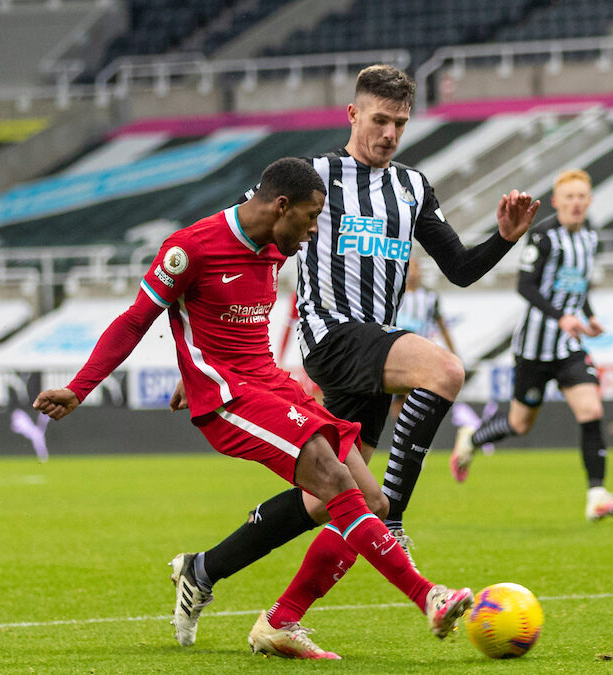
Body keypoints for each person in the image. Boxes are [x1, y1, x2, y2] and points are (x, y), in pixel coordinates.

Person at [32, 158, 473, 659]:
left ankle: (273, 616)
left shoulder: (273, 246)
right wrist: (81, 386)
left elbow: (220, 324)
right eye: (309, 219)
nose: (311, 233)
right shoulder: (190, 249)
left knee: (372, 501)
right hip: (227, 398)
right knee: (332, 477)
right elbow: (136, 320)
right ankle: (428, 596)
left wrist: (190, 364)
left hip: (270, 383)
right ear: (280, 206)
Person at [167, 64, 540, 648]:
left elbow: (461, 271)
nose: (390, 133)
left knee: (329, 499)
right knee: (445, 370)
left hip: (375, 348)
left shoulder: (413, 188)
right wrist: (203, 357)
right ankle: (393, 524)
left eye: (400, 123)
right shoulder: (312, 178)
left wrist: (504, 238)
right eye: (380, 120)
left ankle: (220, 580)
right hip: (332, 337)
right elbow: (228, 241)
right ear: (353, 115)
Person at [449, 169, 613, 522]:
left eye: (582, 197)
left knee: (591, 411)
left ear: (589, 201)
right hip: (534, 348)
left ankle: (596, 496)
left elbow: (579, 288)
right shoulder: (545, 237)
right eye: (570, 197)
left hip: (569, 347)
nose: (576, 203)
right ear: (557, 202)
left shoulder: (590, 237)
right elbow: (525, 286)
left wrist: (588, 317)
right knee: (519, 425)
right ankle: (471, 439)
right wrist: (561, 316)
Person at [390, 256, 458, 419]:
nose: (413, 273)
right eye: (410, 268)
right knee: (397, 400)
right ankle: (402, 434)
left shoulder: (430, 297)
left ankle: (411, 434)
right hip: (397, 353)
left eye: (416, 268)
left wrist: (452, 351)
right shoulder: (395, 294)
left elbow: (441, 324)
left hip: (422, 353)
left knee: (415, 392)